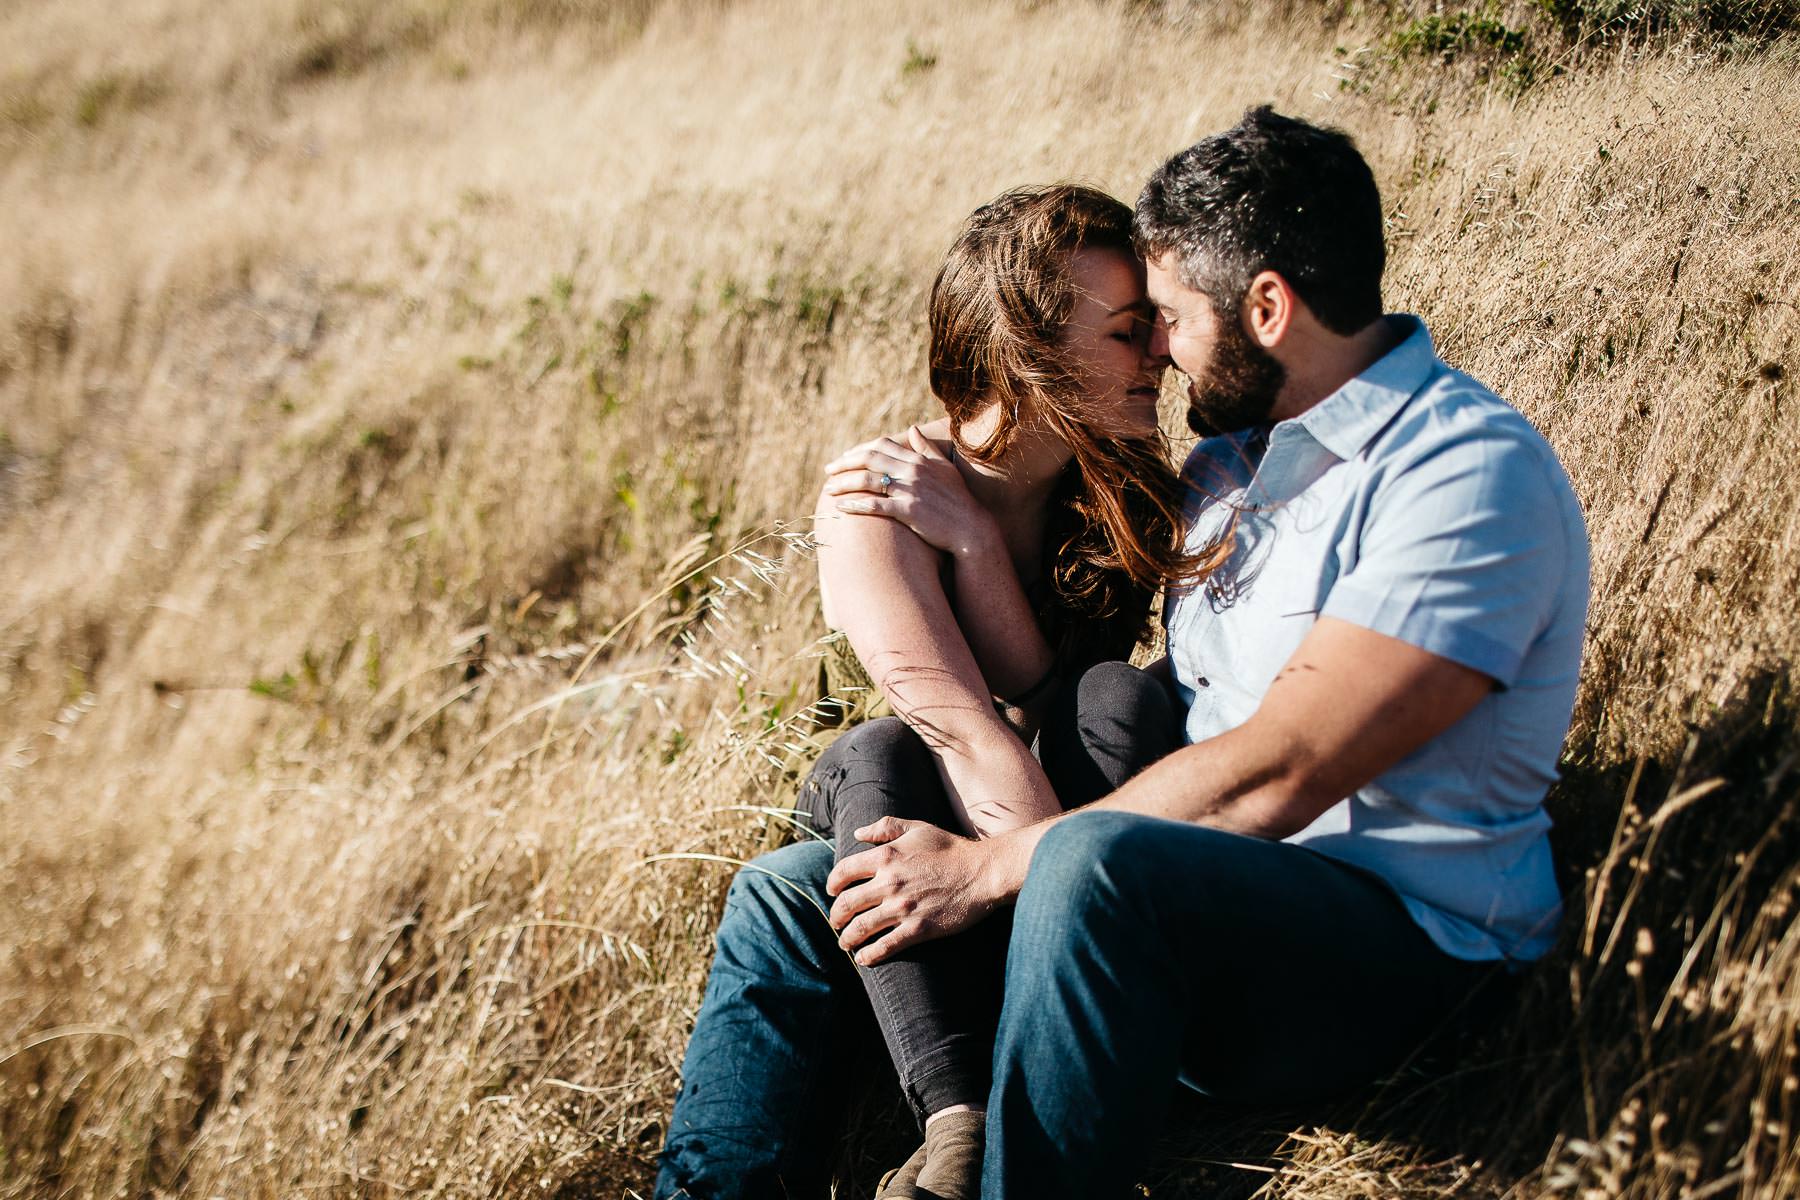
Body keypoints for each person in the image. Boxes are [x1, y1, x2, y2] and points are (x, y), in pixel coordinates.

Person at [661, 105, 1592, 1199]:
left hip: (1400, 947)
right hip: (1189, 905)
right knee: (798, 891)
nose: (1159, 347)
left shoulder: (1462, 474)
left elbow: (1288, 766)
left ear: (1267, 308)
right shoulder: (1223, 473)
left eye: (1170, 317)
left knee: (1088, 867)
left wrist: (995, 868)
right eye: (1138, 324)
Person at [654, 184, 1213, 1200]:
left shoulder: (1120, 483)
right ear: (1026, 351)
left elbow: (1060, 707)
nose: (1160, 357)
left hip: (1049, 815)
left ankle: (1044, 1069)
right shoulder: (877, 497)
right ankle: (959, 1117)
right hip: (927, 807)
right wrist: (1038, 880)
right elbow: (958, 733)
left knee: (1112, 698)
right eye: (1129, 333)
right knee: (872, 756)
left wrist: (974, 546)